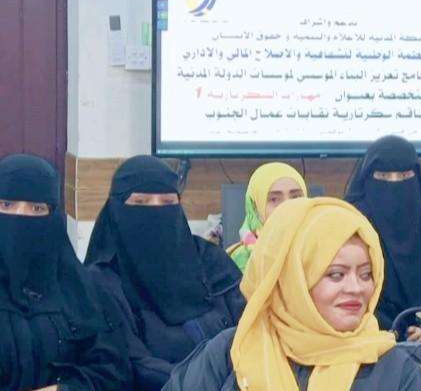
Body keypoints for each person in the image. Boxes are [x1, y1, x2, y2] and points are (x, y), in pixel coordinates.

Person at [163, 196, 421, 391]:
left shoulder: (394, 370)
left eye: (366, 274)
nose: (356, 288)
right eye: (335, 275)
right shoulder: (232, 352)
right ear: (292, 281)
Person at [84, 155, 244, 391]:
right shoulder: (103, 281)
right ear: (116, 210)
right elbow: (132, 364)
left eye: (168, 202)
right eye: (141, 202)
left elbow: (252, 327)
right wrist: (209, 380)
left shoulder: (210, 260)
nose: (156, 211)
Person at [0, 153, 131, 391]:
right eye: (6, 205)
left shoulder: (82, 290)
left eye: (37, 208)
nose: (21, 216)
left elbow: (112, 371)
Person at [344, 135, 421, 340]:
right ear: (367, 177)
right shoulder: (353, 226)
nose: (394, 184)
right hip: (364, 340)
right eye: (384, 176)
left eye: (403, 176)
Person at [226, 162, 307, 271]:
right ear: (255, 208)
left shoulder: (324, 251)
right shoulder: (235, 261)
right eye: (274, 199)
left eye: (296, 197)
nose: (287, 206)